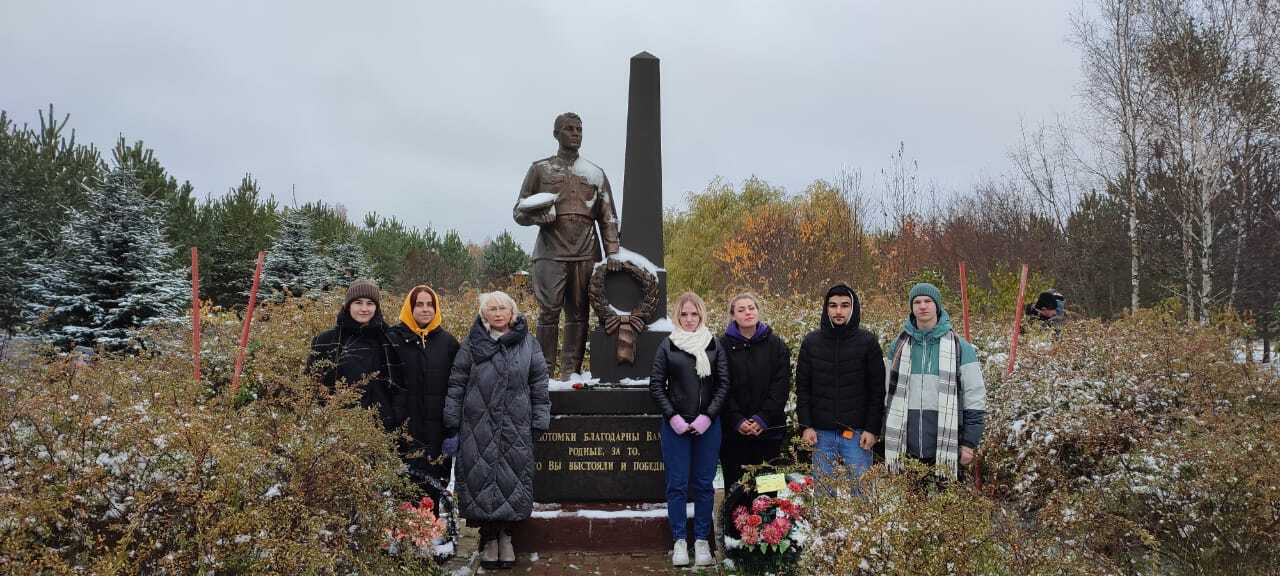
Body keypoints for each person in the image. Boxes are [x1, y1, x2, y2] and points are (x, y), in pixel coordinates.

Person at [443, 291, 550, 570]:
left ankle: (506, 537)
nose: (498, 313)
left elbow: (539, 383)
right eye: (492, 308)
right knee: (480, 479)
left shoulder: (529, 344)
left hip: (515, 426)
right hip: (477, 426)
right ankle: (489, 538)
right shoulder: (472, 343)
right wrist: (451, 421)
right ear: (483, 314)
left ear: (513, 312)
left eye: (503, 308)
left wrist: (540, 420)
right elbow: (457, 382)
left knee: (511, 480)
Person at [513, 112, 621, 379]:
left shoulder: (595, 173)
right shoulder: (540, 169)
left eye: (579, 129)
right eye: (569, 129)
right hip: (550, 252)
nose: (575, 133)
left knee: (579, 314)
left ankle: (571, 373)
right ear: (556, 134)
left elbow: (608, 217)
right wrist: (538, 217)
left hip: (586, 253)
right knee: (548, 313)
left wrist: (613, 254)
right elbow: (519, 211)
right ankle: (544, 373)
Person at [649, 291, 729, 567]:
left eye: (694, 314)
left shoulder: (714, 345)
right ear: (677, 316)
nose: (689, 319)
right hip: (677, 427)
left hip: (708, 426)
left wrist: (708, 416)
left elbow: (723, 385)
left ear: (701, 315)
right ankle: (680, 541)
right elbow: (656, 385)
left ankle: (702, 541)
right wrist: (673, 417)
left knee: (704, 485)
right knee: (677, 485)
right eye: (684, 314)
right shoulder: (668, 345)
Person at [882, 283, 987, 481]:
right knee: (908, 500)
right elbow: (887, 392)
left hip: (947, 447)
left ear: (937, 305)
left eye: (928, 301)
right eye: (917, 302)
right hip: (905, 448)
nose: (922, 306)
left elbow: (975, 397)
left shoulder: (960, 347)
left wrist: (969, 443)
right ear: (911, 307)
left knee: (946, 500)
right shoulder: (898, 346)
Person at [795, 284, 885, 488]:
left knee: (862, 493)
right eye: (833, 305)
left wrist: (872, 429)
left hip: (857, 434)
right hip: (821, 434)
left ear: (853, 308)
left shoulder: (867, 342)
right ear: (826, 308)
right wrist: (806, 426)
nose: (838, 311)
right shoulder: (811, 342)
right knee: (824, 493)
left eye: (844, 305)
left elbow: (877, 391)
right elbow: (803, 388)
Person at [389, 284, 461, 491]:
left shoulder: (448, 343)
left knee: (434, 494)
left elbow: (456, 387)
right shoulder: (393, 339)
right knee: (405, 494)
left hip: (437, 436)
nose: (425, 309)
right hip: (404, 435)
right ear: (409, 308)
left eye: (430, 304)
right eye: (419, 304)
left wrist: (453, 430)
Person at [718, 292, 792, 490]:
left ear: (758, 311)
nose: (748, 312)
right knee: (737, 492)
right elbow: (721, 386)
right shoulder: (721, 346)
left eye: (751, 308)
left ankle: (768, 512)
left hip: (769, 432)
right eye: (741, 309)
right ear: (733, 315)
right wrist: (737, 420)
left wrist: (763, 418)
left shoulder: (777, 345)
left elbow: (781, 386)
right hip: (733, 435)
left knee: (768, 493)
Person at [307, 279, 399, 431]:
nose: (364, 308)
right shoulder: (326, 340)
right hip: (338, 429)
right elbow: (312, 385)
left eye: (370, 303)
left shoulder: (390, 339)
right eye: (358, 302)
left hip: (383, 428)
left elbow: (400, 387)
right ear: (348, 305)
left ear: (376, 307)